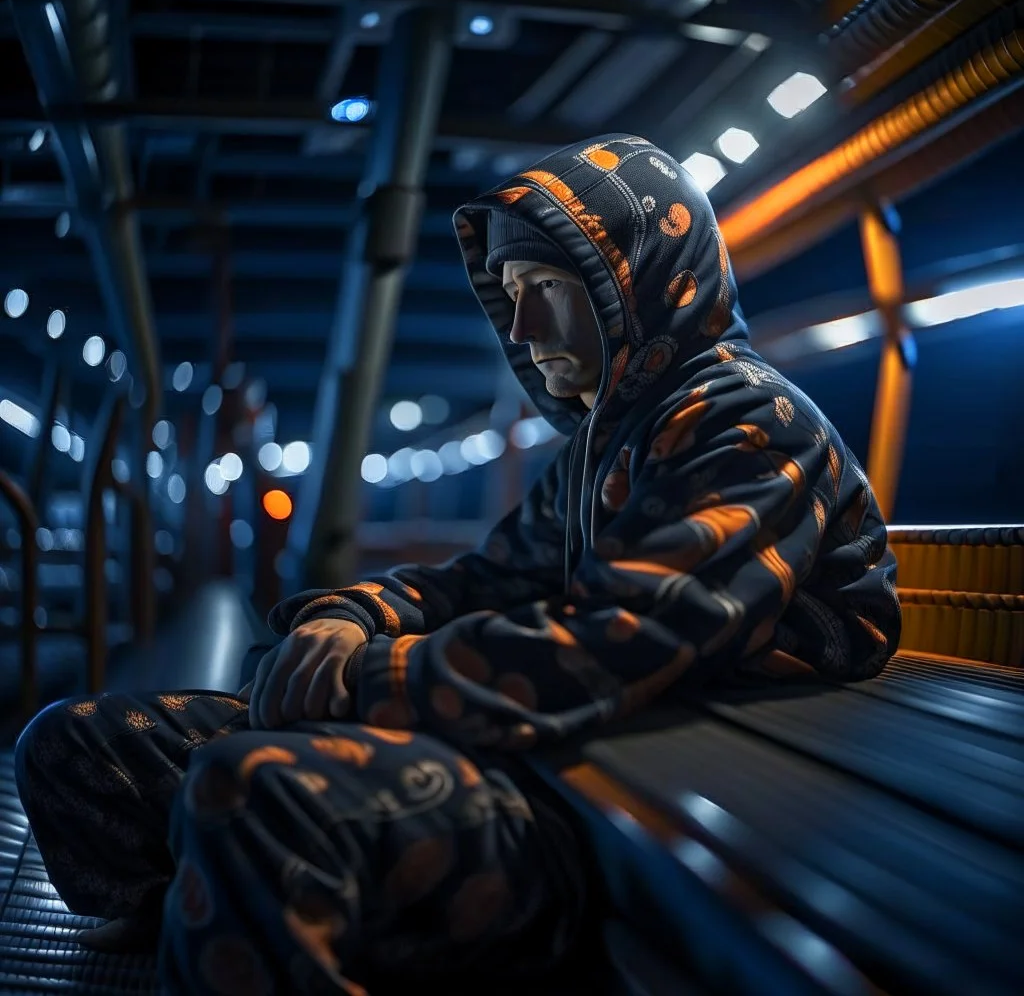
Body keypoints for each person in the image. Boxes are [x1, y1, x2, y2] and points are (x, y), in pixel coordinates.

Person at [15, 134, 900, 994]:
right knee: (76, 746)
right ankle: (214, 923)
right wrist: (351, 615)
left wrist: (363, 678)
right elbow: (479, 581)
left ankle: (247, 922)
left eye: (551, 286)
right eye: (513, 291)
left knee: (253, 798)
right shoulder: (602, 441)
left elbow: (622, 638)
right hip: (550, 740)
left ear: (642, 285)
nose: (520, 323)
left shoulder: (748, 426)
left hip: (615, 789)